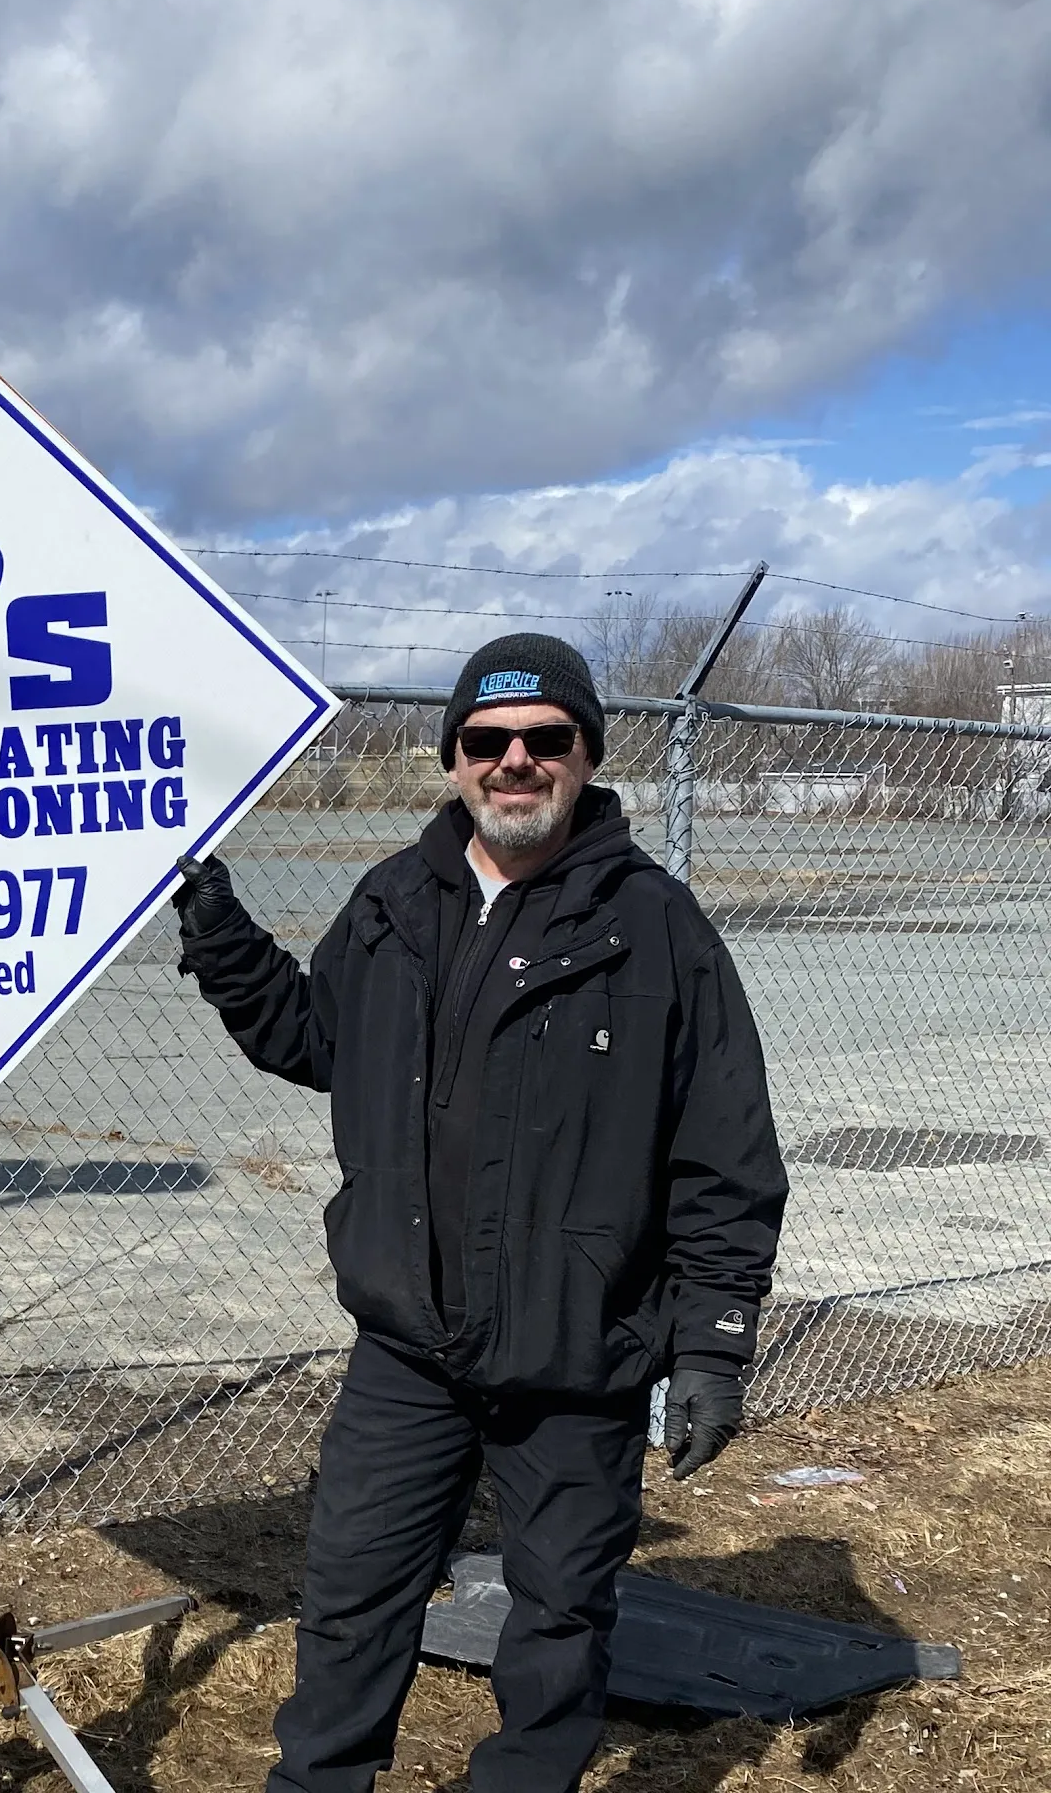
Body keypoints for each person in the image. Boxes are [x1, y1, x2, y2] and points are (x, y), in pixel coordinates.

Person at [175, 633, 785, 1793]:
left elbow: (724, 1154)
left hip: (578, 1350)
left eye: (544, 737)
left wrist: (712, 1341)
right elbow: (315, 1037)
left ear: (585, 754)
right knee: (351, 1594)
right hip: (407, 1343)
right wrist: (218, 933)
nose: (514, 760)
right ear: (452, 756)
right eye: (486, 739)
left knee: (558, 1616)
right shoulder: (393, 900)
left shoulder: (655, 927)